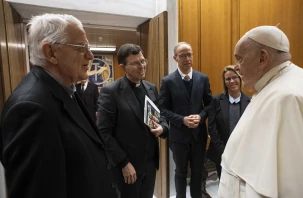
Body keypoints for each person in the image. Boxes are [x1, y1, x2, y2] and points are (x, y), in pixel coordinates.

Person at [0, 14, 118, 198]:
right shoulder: (31, 108)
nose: (90, 55)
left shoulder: (65, 88)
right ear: (51, 52)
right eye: (81, 47)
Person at [218, 26, 303, 198]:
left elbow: (295, 186)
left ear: (262, 58)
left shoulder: (287, 97)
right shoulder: (272, 84)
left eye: (239, 59)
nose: (236, 68)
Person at [97, 43, 169, 198]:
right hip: (128, 166)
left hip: (150, 164)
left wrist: (163, 128)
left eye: (143, 61)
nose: (141, 66)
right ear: (122, 66)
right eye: (135, 63)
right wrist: (123, 163)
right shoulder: (111, 92)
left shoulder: (151, 88)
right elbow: (103, 132)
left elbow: (161, 115)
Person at [158, 42, 212, 198]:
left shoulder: (203, 78)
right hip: (179, 137)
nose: (187, 58)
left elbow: (209, 105)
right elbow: (163, 109)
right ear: (175, 58)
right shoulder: (168, 81)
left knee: (198, 172)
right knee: (180, 173)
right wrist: (182, 120)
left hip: (198, 136)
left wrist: (201, 116)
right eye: (182, 55)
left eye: (189, 54)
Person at [208, 65, 251, 179]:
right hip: (222, 152)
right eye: (228, 79)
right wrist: (224, 151)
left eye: (235, 77)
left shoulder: (250, 101)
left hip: (244, 153)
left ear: (240, 78)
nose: (232, 81)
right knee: (224, 184)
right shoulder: (216, 101)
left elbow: (252, 128)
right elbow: (212, 128)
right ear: (225, 82)